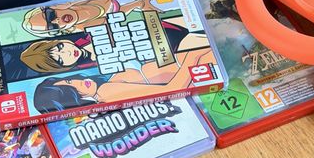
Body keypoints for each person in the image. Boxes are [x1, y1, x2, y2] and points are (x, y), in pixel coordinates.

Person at [33, 45, 216, 113]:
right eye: (71, 90)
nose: (76, 82)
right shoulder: (105, 92)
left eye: (68, 80)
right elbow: (173, 88)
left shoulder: (103, 86)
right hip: (196, 65)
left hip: (191, 62)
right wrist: (192, 56)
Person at [22, 0, 160, 37]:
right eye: (53, 26)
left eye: (50, 14)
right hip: (138, 0)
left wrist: (69, 3)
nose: (57, 20)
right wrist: (139, 4)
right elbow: (113, 18)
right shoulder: (84, 27)